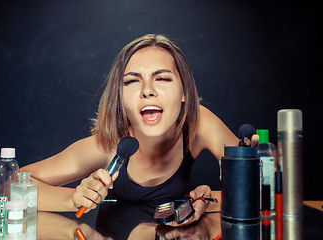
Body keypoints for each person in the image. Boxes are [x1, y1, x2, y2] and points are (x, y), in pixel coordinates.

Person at [20, 34, 239, 226]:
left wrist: (204, 203)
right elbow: (12, 182)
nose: (147, 90)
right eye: (132, 81)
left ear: (185, 93)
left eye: (162, 78)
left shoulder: (198, 123)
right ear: (121, 99)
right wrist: (73, 199)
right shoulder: (106, 146)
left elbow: (259, 184)